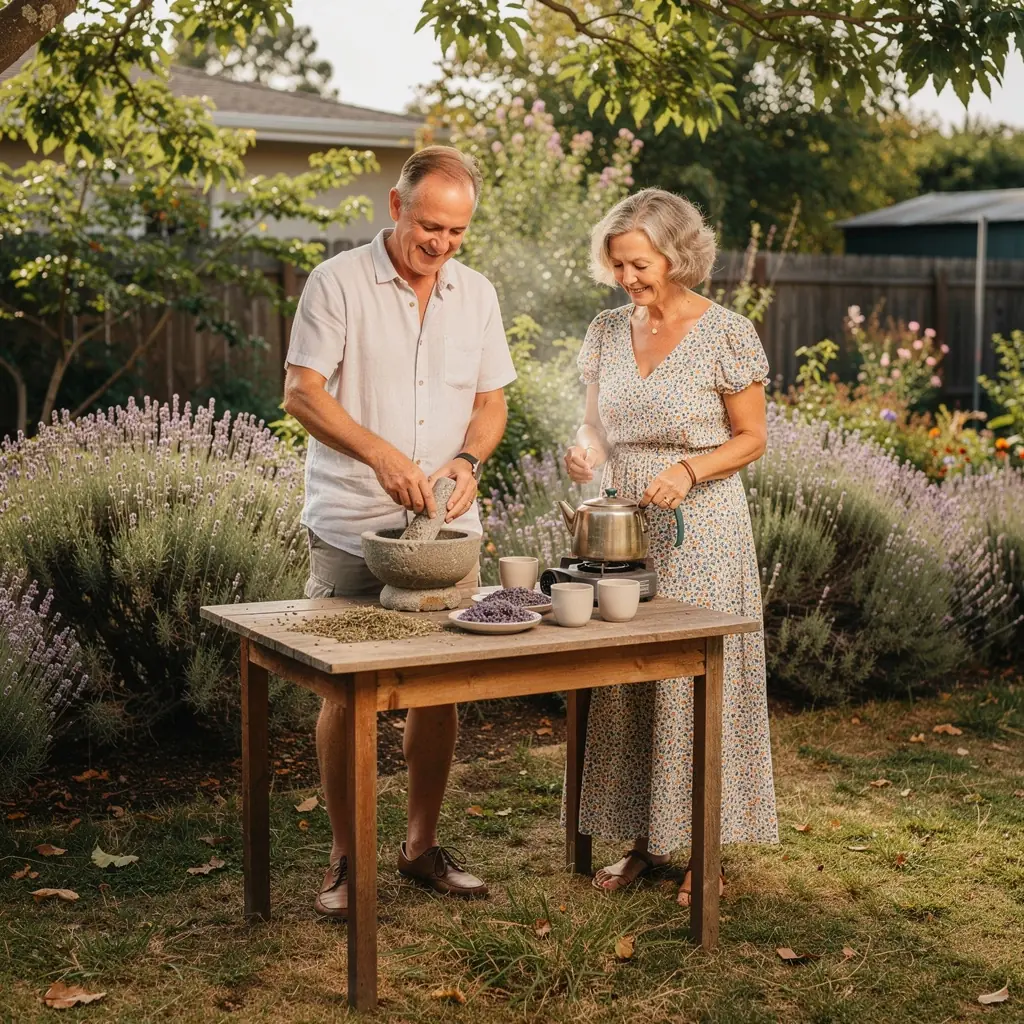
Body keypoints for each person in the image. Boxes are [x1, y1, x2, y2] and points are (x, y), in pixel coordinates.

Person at [282, 146, 517, 919]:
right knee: (347, 692)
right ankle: (346, 857)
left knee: (437, 688)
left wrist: (468, 459)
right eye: (430, 227)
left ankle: (420, 846)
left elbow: (491, 402)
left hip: (446, 532)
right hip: (352, 525)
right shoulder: (337, 282)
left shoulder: (476, 295)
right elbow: (301, 393)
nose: (441, 243)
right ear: (396, 206)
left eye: (457, 231)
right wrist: (380, 455)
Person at [563, 188, 778, 906]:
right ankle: (642, 840)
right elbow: (596, 425)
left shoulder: (726, 333)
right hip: (624, 525)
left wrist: (688, 469)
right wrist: (585, 448)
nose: (627, 278)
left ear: (677, 255)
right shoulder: (605, 330)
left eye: (640, 264)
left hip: (702, 527)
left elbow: (752, 438)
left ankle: (706, 847)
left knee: (695, 684)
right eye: (618, 265)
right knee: (628, 679)